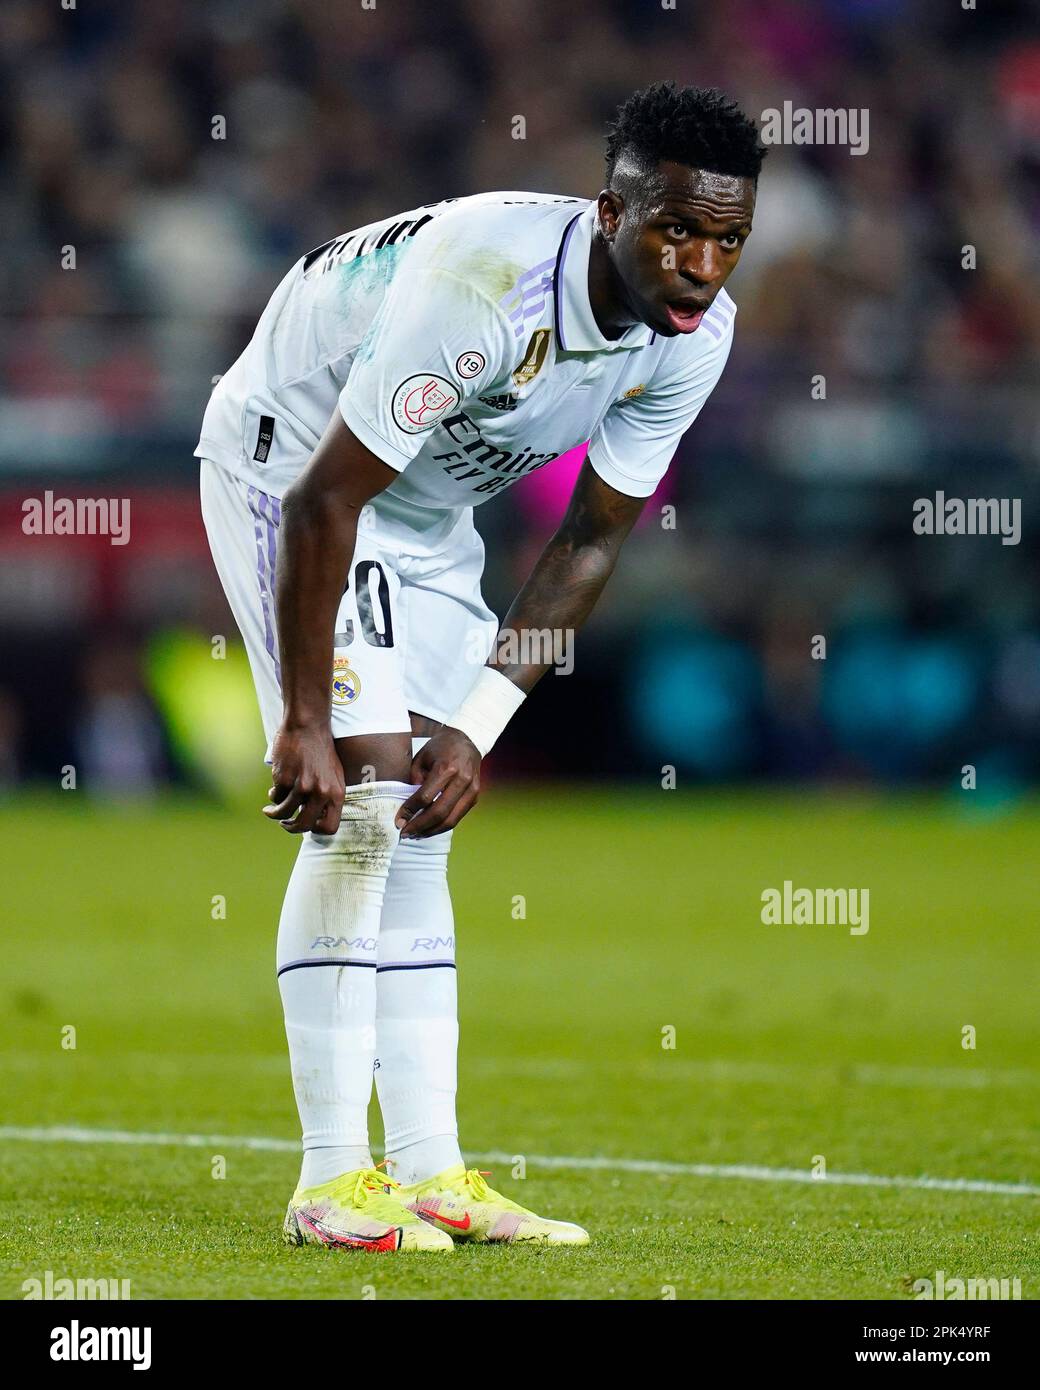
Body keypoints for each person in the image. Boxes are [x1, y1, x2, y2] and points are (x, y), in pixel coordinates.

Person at [197, 81, 763, 1252]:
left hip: (428, 506)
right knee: (359, 794)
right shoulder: (484, 290)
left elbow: (593, 536)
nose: (700, 264)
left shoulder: (697, 332)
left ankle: (431, 1169)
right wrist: (302, 714)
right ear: (611, 211)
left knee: (420, 821)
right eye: (674, 229)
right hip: (295, 467)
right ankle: (326, 1181)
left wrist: (480, 723)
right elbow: (322, 500)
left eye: (725, 239)